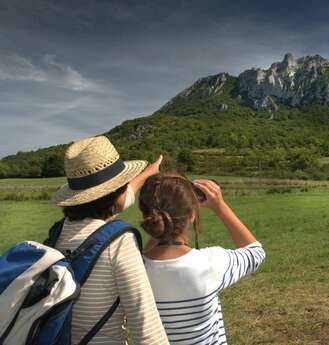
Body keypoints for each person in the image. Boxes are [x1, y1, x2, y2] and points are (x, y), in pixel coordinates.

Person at [50, 136, 169, 345]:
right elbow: (147, 328)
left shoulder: (59, 232)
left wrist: (149, 172)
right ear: (116, 193)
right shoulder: (119, 242)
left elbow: (117, 200)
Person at [139, 169, 266, 344]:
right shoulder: (209, 263)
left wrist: (162, 228)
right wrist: (220, 206)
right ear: (192, 215)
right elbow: (255, 253)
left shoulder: (134, 269)